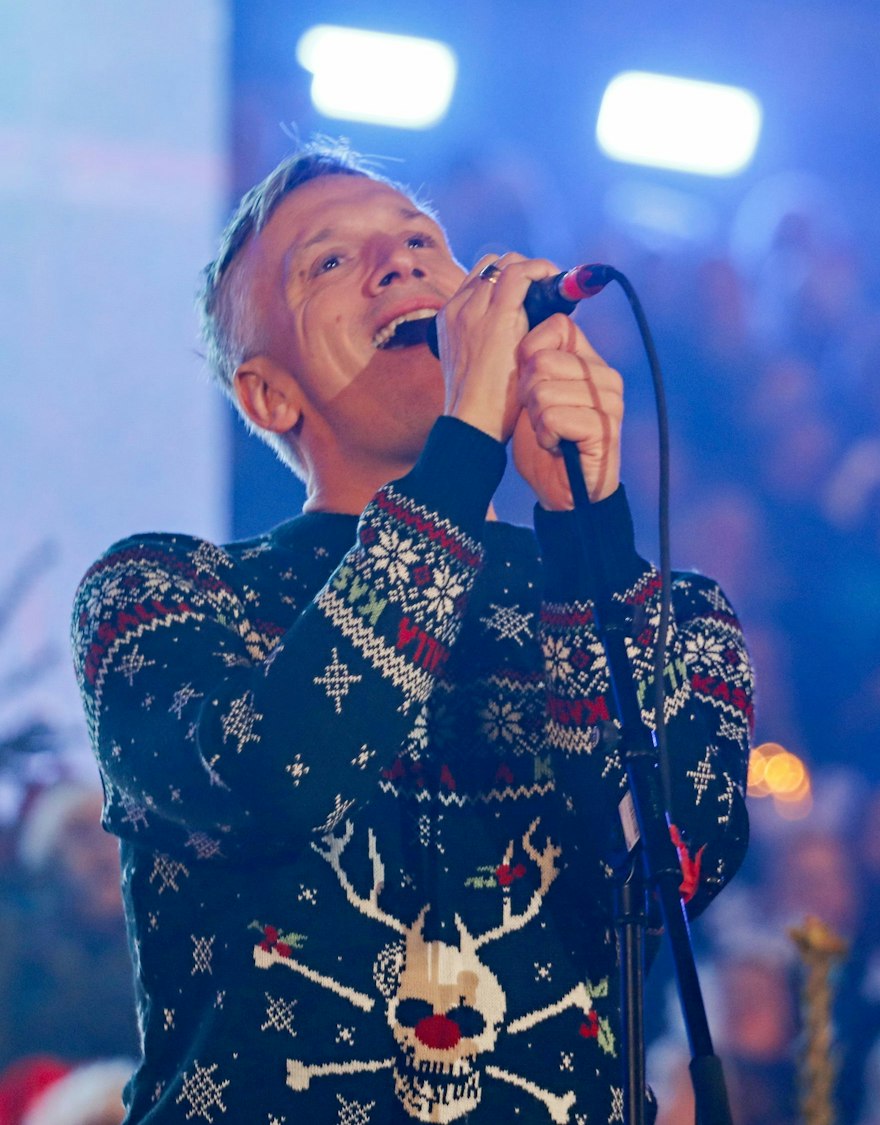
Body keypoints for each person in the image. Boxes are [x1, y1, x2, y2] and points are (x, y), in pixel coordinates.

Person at [70, 141, 753, 1123]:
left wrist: (585, 528)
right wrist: (464, 447)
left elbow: (669, 861)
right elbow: (280, 771)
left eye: (421, 242)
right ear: (268, 394)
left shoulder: (670, 617)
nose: (397, 264)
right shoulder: (165, 595)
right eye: (329, 263)